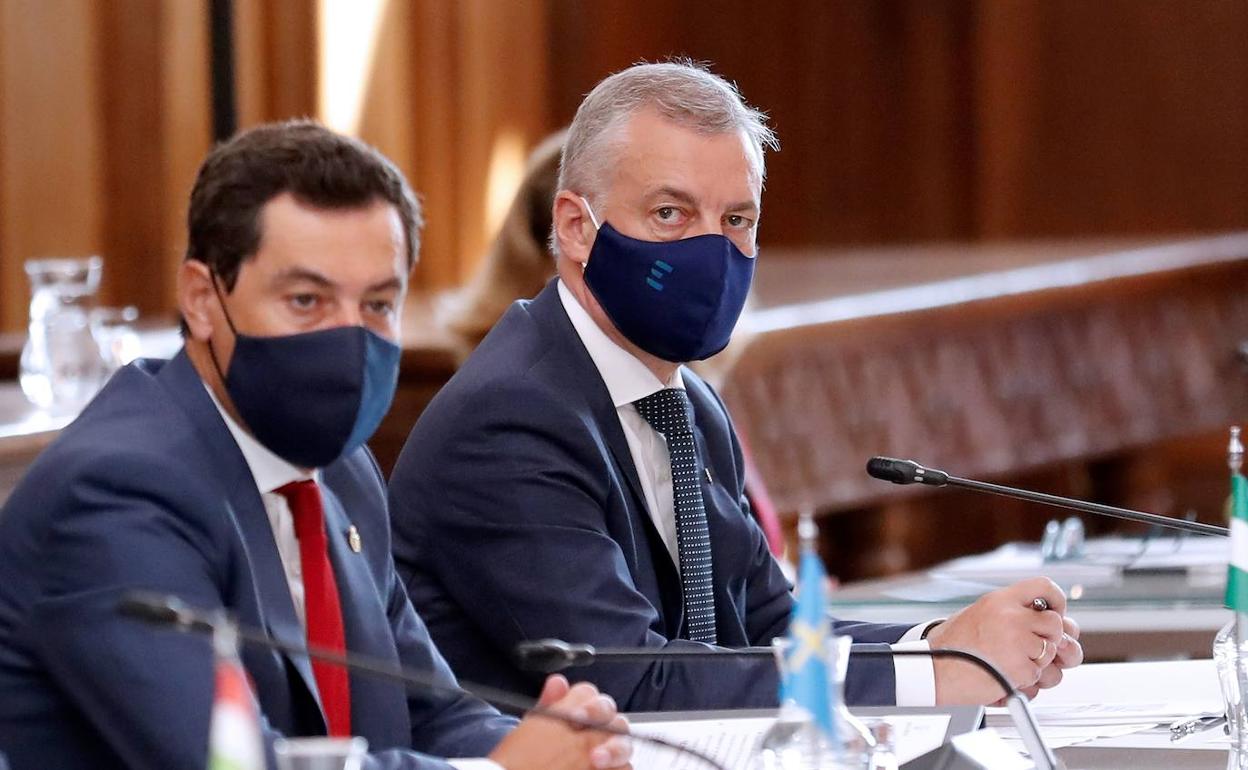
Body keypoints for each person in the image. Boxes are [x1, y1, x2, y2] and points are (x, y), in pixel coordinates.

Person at [386, 62, 1083, 712]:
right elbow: (631, 681)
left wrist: (947, 643)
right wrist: (933, 675)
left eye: (737, 220)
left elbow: (771, 623)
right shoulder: (511, 419)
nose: (712, 252)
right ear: (576, 227)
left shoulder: (681, 399)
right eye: (670, 214)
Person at [0, 121, 629, 770]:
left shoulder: (342, 471)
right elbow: (234, 765)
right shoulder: (116, 492)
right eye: (306, 300)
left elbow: (432, 714)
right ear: (202, 300)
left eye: (378, 304)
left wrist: (567, 747)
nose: (350, 340)